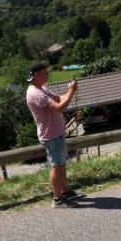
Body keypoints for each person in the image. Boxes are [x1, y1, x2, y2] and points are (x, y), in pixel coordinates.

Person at [24, 62, 81, 208]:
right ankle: (57, 200)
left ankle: (65, 192)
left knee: (61, 164)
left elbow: (59, 99)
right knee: (56, 166)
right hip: (50, 135)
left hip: (56, 132)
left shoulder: (41, 88)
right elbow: (60, 108)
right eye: (45, 73)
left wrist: (69, 91)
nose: (48, 75)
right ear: (36, 75)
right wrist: (72, 92)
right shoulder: (36, 93)